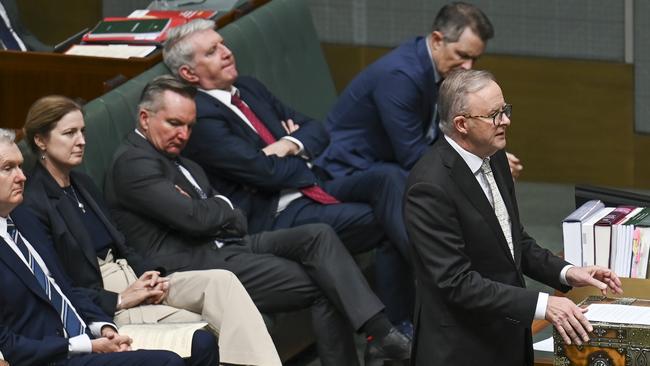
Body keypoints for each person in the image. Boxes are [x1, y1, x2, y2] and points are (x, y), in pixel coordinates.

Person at [104, 75, 412, 366]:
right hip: (195, 265)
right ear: (145, 118)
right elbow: (195, 218)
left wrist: (217, 208)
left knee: (318, 234)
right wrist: (217, 209)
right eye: (173, 124)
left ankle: (380, 332)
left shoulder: (183, 162)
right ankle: (379, 336)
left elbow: (235, 216)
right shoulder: (134, 164)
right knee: (324, 283)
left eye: (188, 126)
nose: (183, 135)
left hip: (231, 244)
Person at [163, 19, 414, 333]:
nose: (227, 53)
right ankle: (405, 319)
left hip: (312, 184)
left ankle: (434, 276)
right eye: (212, 52)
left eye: (223, 44)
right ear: (189, 74)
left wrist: (287, 144)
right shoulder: (201, 116)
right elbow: (262, 173)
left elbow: (317, 129)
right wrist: (294, 148)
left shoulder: (249, 88)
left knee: (388, 177)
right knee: (386, 222)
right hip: (277, 212)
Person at [21, 95, 281, 366]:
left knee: (222, 281)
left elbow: (124, 243)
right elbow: (59, 285)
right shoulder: (34, 203)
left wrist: (150, 275)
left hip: (137, 279)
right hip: (108, 302)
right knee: (205, 328)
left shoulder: (82, 183)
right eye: (70, 133)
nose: (82, 140)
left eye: (83, 131)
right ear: (41, 140)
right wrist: (120, 298)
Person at [403, 69, 623, 365]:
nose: (506, 120)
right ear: (461, 124)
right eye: (494, 114)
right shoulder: (429, 186)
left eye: (505, 110)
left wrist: (568, 272)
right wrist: (543, 304)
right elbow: (455, 282)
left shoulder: (494, 157)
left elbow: (512, 239)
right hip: (461, 348)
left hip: (508, 336)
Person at [0, 128, 189, 366]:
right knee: (167, 363)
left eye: (20, 166)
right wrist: (86, 345)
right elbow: (7, 345)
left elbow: (65, 288)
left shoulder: (23, 220)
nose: (21, 176)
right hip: (52, 356)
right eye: (8, 168)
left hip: (87, 336)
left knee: (201, 343)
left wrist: (103, 328)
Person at [315, 2, 523, 181]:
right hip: (345, 168)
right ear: (436, 41)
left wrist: (487, 160)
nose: (468, 66)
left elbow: (442, 140)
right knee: (436, 186)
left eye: (474, 59)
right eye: (462, 54)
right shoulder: (401, 77)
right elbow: (413, 156)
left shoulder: (438, 69)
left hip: (382, 162)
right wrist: (479, 167)